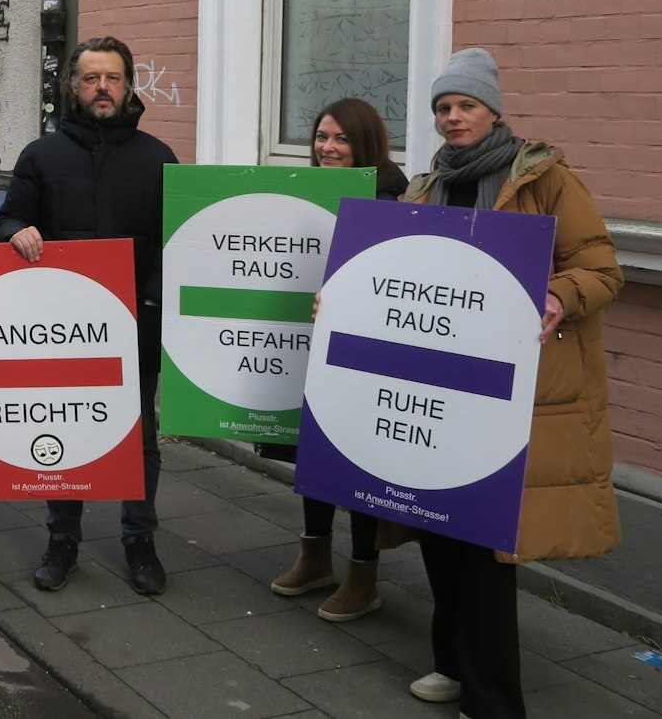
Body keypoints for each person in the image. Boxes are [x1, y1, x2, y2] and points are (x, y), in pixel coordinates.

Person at [395, 47, 622, 718]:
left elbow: (601, 268)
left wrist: (559, 295)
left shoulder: (545, 179)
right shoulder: (426, 186)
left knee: (484, 543)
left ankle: (493, 699)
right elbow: (399, 271)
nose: (453, 116)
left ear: (493, 110)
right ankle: (451, 662)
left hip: (510, 387)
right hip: (442, 383)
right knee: (438, 526)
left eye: (466, 104)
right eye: (443, 107)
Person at [0, 35, 177, 596]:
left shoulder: (158, 157)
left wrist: (152, 296)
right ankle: (62, 539)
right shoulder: (41, 155)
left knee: (139, 434)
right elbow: (8, 221)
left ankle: (140, 540)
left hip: (135, 320)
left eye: (113, 78)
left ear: (128, 87)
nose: (103, 88)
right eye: (92, 78)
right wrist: (17, 232)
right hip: (62, 326)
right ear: (72, 86)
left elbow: (176, 239)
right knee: (65, 424)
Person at [265, 97, 409, 622]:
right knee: (315, 450)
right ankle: (315, 557)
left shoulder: (389, 199)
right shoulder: (309, 192)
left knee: (359, 460)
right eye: (322, 137)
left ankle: (363, 576)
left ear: (365, 143)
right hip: (316, 343)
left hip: (364, 354)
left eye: (341, 139)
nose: (327, 147)